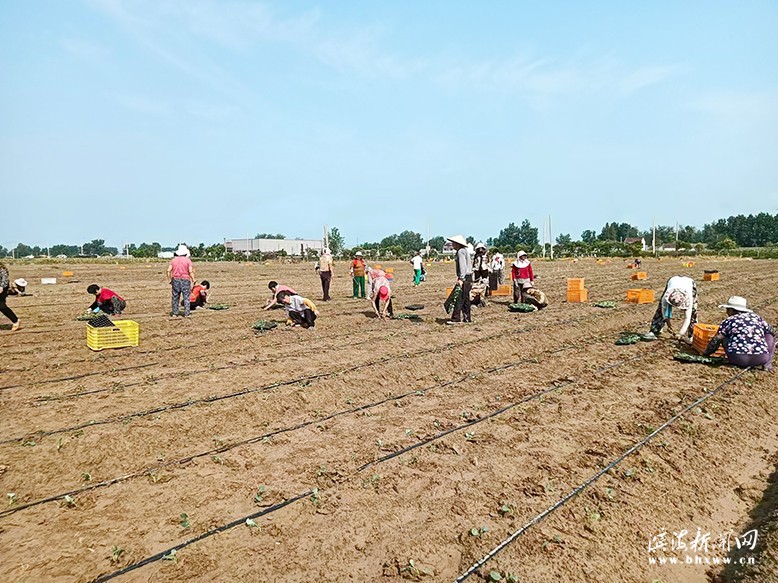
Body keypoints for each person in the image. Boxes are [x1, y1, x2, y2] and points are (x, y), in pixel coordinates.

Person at [704, 296, 775, 371]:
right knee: (769, 335)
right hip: (760, 358)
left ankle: (737, 355)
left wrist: (706, 354)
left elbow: (716, 339)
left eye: (727, 310)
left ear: (731, 310)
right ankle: (767, 364)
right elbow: (772, 331)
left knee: (723, 336)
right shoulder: (757, 318)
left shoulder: (728, 320)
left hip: (737, 359)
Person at [643, 275, 697, 341]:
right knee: (659, 310)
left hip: (689, 283)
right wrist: (669, 325)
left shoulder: (689, 299)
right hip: (673, 281)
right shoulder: (666, 297)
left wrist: (680, 333)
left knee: (693, 313)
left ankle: (690, 336)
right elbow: (663, 311)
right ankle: (654, 331)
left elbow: (687, 318)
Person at [447, 235, 472, 324]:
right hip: (469, 277)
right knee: (466, 299)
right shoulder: (465, 251)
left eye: (453, 243)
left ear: (457, 244)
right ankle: (467, 318)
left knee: (459, 298)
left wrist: (461, 278)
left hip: (464, 277)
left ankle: (456, 318)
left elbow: (462, 266)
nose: (452, 245)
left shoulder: (460, 252)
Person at [167, 244, 195, 317]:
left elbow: (168, 270)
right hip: (185, 280)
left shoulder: (173, 260)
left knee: (175, 297)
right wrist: (193, 279)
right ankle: (186, 313)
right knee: (186, 297)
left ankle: (175, 313)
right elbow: (190, 271)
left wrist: (170, 280)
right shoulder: (188, 261)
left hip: (175, 280)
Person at [0, 261, 20, 331]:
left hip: (2, 288)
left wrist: (1, 287)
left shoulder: (1, 268)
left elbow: (4, 278)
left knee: (1, 306)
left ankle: (15, 321)